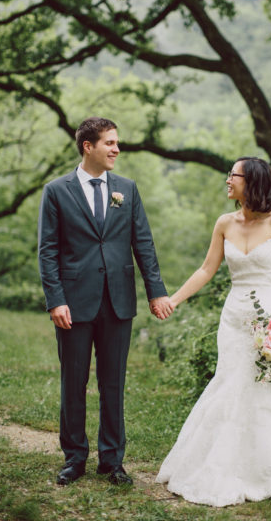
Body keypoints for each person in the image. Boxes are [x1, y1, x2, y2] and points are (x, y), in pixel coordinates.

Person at [156, 157, 271, 506]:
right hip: (234, 319)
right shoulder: (224, 223)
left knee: (266, 390)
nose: (228, 180)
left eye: (233, 175)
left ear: (252, 181)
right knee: (230, 382)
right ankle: (221, 463)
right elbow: (206, 269)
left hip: (269, 318)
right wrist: (174, 300)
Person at [38, 117, 173, 486]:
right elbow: (47, 251)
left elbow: (142, 242)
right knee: (74, 382)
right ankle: (75, 458)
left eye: (117, 143)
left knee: (113, 383)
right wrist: (55, 300)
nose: (116, 149)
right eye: (110, 143)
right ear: (88, 146)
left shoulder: (127, 189)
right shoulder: (56, 191)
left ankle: (112, 461)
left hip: (118, 302)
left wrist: (156, 291)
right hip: (73, 305)